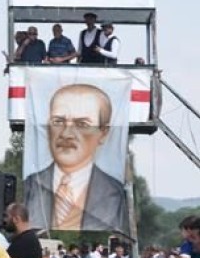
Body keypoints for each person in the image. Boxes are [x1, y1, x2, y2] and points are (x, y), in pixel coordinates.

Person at [23, 83, 127, 233]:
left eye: (82, 124)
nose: (66, 134)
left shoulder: (114, 193)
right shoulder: (31, 186)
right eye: (58, 122)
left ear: (103, 133)